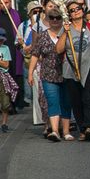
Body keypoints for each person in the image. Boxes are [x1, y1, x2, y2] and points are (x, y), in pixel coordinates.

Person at [56, 0, 90, 141]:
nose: (75, 12)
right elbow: (59, 49)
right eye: (72, 11)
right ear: (69, 14)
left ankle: (89, 127)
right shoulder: (66, 28)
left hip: (89, 68)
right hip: (70, 70)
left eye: (77, 9)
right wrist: (65, 33)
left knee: (88, 98)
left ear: (82, 10)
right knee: (76, 101)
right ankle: (82, 129)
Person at [29, 8, 73, 142]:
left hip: (66, 73)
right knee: (53, 102)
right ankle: (55, 131)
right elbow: (35, 54)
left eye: (57, 18)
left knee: (66, 103)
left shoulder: (68, 33)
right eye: (51, 17)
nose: (54, 20)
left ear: (62, 19)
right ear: (47, 19)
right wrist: (30, 73)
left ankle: (66, 131)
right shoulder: (42, 36)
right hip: (48, 74)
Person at [0, 0, 25, 113]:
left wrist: (22, 40)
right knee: (2, 79)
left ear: (10, 2)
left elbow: (24, 31)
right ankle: (3, 104)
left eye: (6, 2)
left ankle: (13, 104)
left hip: (15, 52)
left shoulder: (17, 15)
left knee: (15, 78)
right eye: (1, 3)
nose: (4, 5)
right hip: (1, 52)